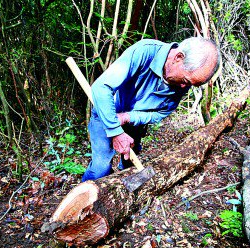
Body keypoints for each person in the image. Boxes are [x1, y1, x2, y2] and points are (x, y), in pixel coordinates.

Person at [82, 37, 220, 182]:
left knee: (129, 168)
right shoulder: (145, 51)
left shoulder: (185, 81)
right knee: (100, 168)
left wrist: (128, 117)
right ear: (178, 57)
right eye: (186, 81)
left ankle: (121, 196)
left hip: (135, 123)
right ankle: (83, 201)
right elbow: (101, 88)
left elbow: (161, 113)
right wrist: (115, 131)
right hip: (106, 113)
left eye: (191, 84)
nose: (184, 88)